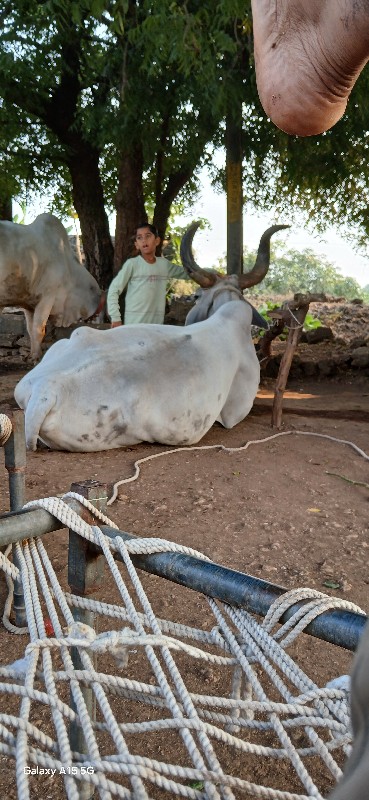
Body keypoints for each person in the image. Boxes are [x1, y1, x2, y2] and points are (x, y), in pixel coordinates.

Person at [107, 223, 191, 327]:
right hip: (133, 326)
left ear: (157, 241)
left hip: (156, 328)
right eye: (139, 238)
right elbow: (113, 290)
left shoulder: (164, 265)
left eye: (148, 236)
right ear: (137, 244)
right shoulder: (132, 264)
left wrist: (213, 272)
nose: (144, 240)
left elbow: (189, 272)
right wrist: (115, 318)